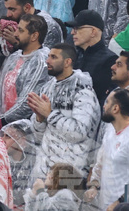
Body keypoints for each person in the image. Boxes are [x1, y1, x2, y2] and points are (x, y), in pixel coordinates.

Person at [28, 43, 101, 182]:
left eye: (53, 57)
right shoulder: (48, 88)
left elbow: (79, 132)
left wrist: (49, 114)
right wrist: (39, 118)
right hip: (44, 171)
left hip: (70, 174)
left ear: (67, 62)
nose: (48, 61)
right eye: (48, 56)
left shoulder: (83, 92)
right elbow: (38, 137)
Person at [86, 88, 129, 210]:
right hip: (106, 205)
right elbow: (100, 162)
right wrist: (94, 186)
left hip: (127, 207)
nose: (104, 106)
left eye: (107, 102)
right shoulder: (110, 130)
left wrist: (121, 200)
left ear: (115, 108)